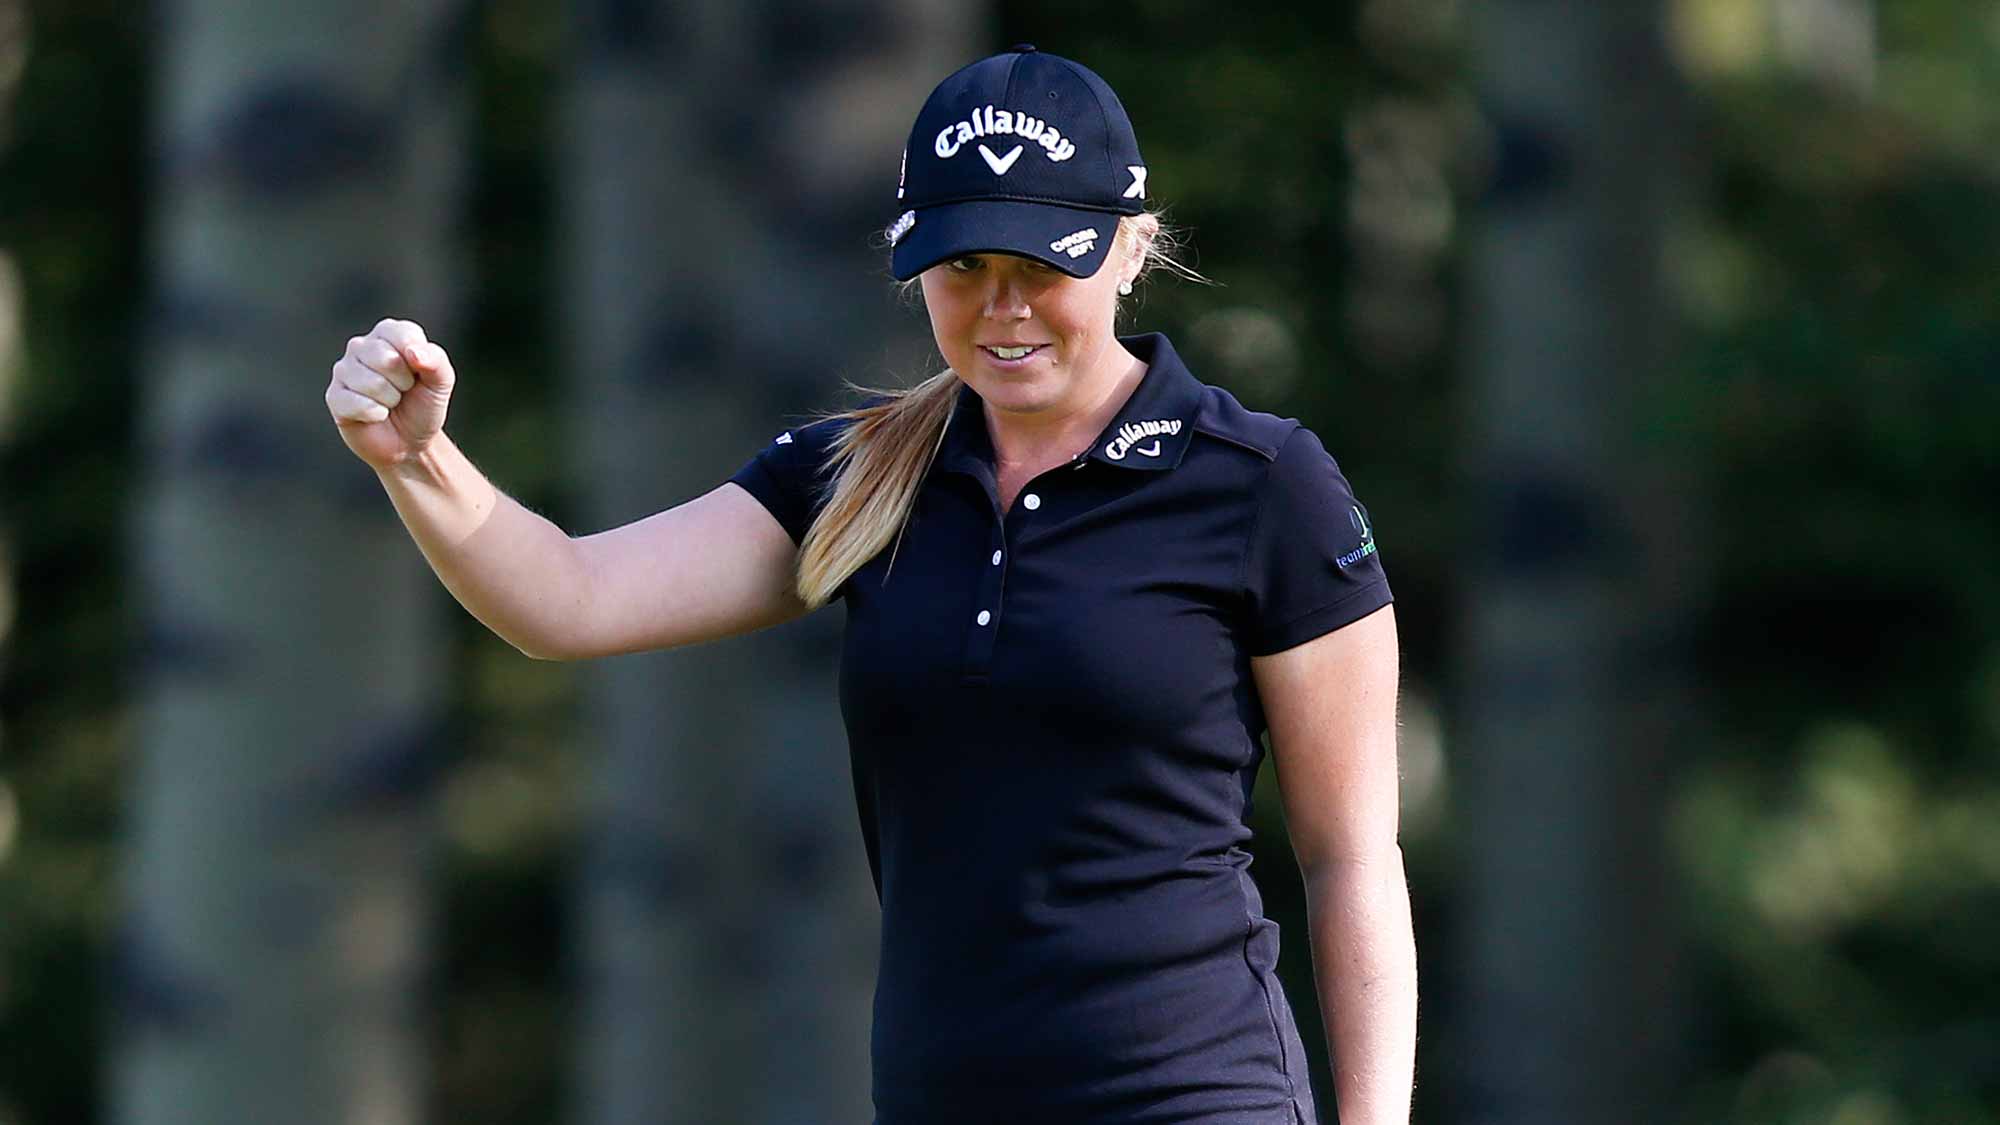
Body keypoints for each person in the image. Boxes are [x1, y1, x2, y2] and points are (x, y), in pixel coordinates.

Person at [325, 45, 1413, 1125]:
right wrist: (414, 457)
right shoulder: (858, 475)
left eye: (1041, 267)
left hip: (1194, 1101)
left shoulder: (1262, 485)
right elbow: (565, 600)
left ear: (1129, 250)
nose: (1002, 309)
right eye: (962, 269)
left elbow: (1350, 858)